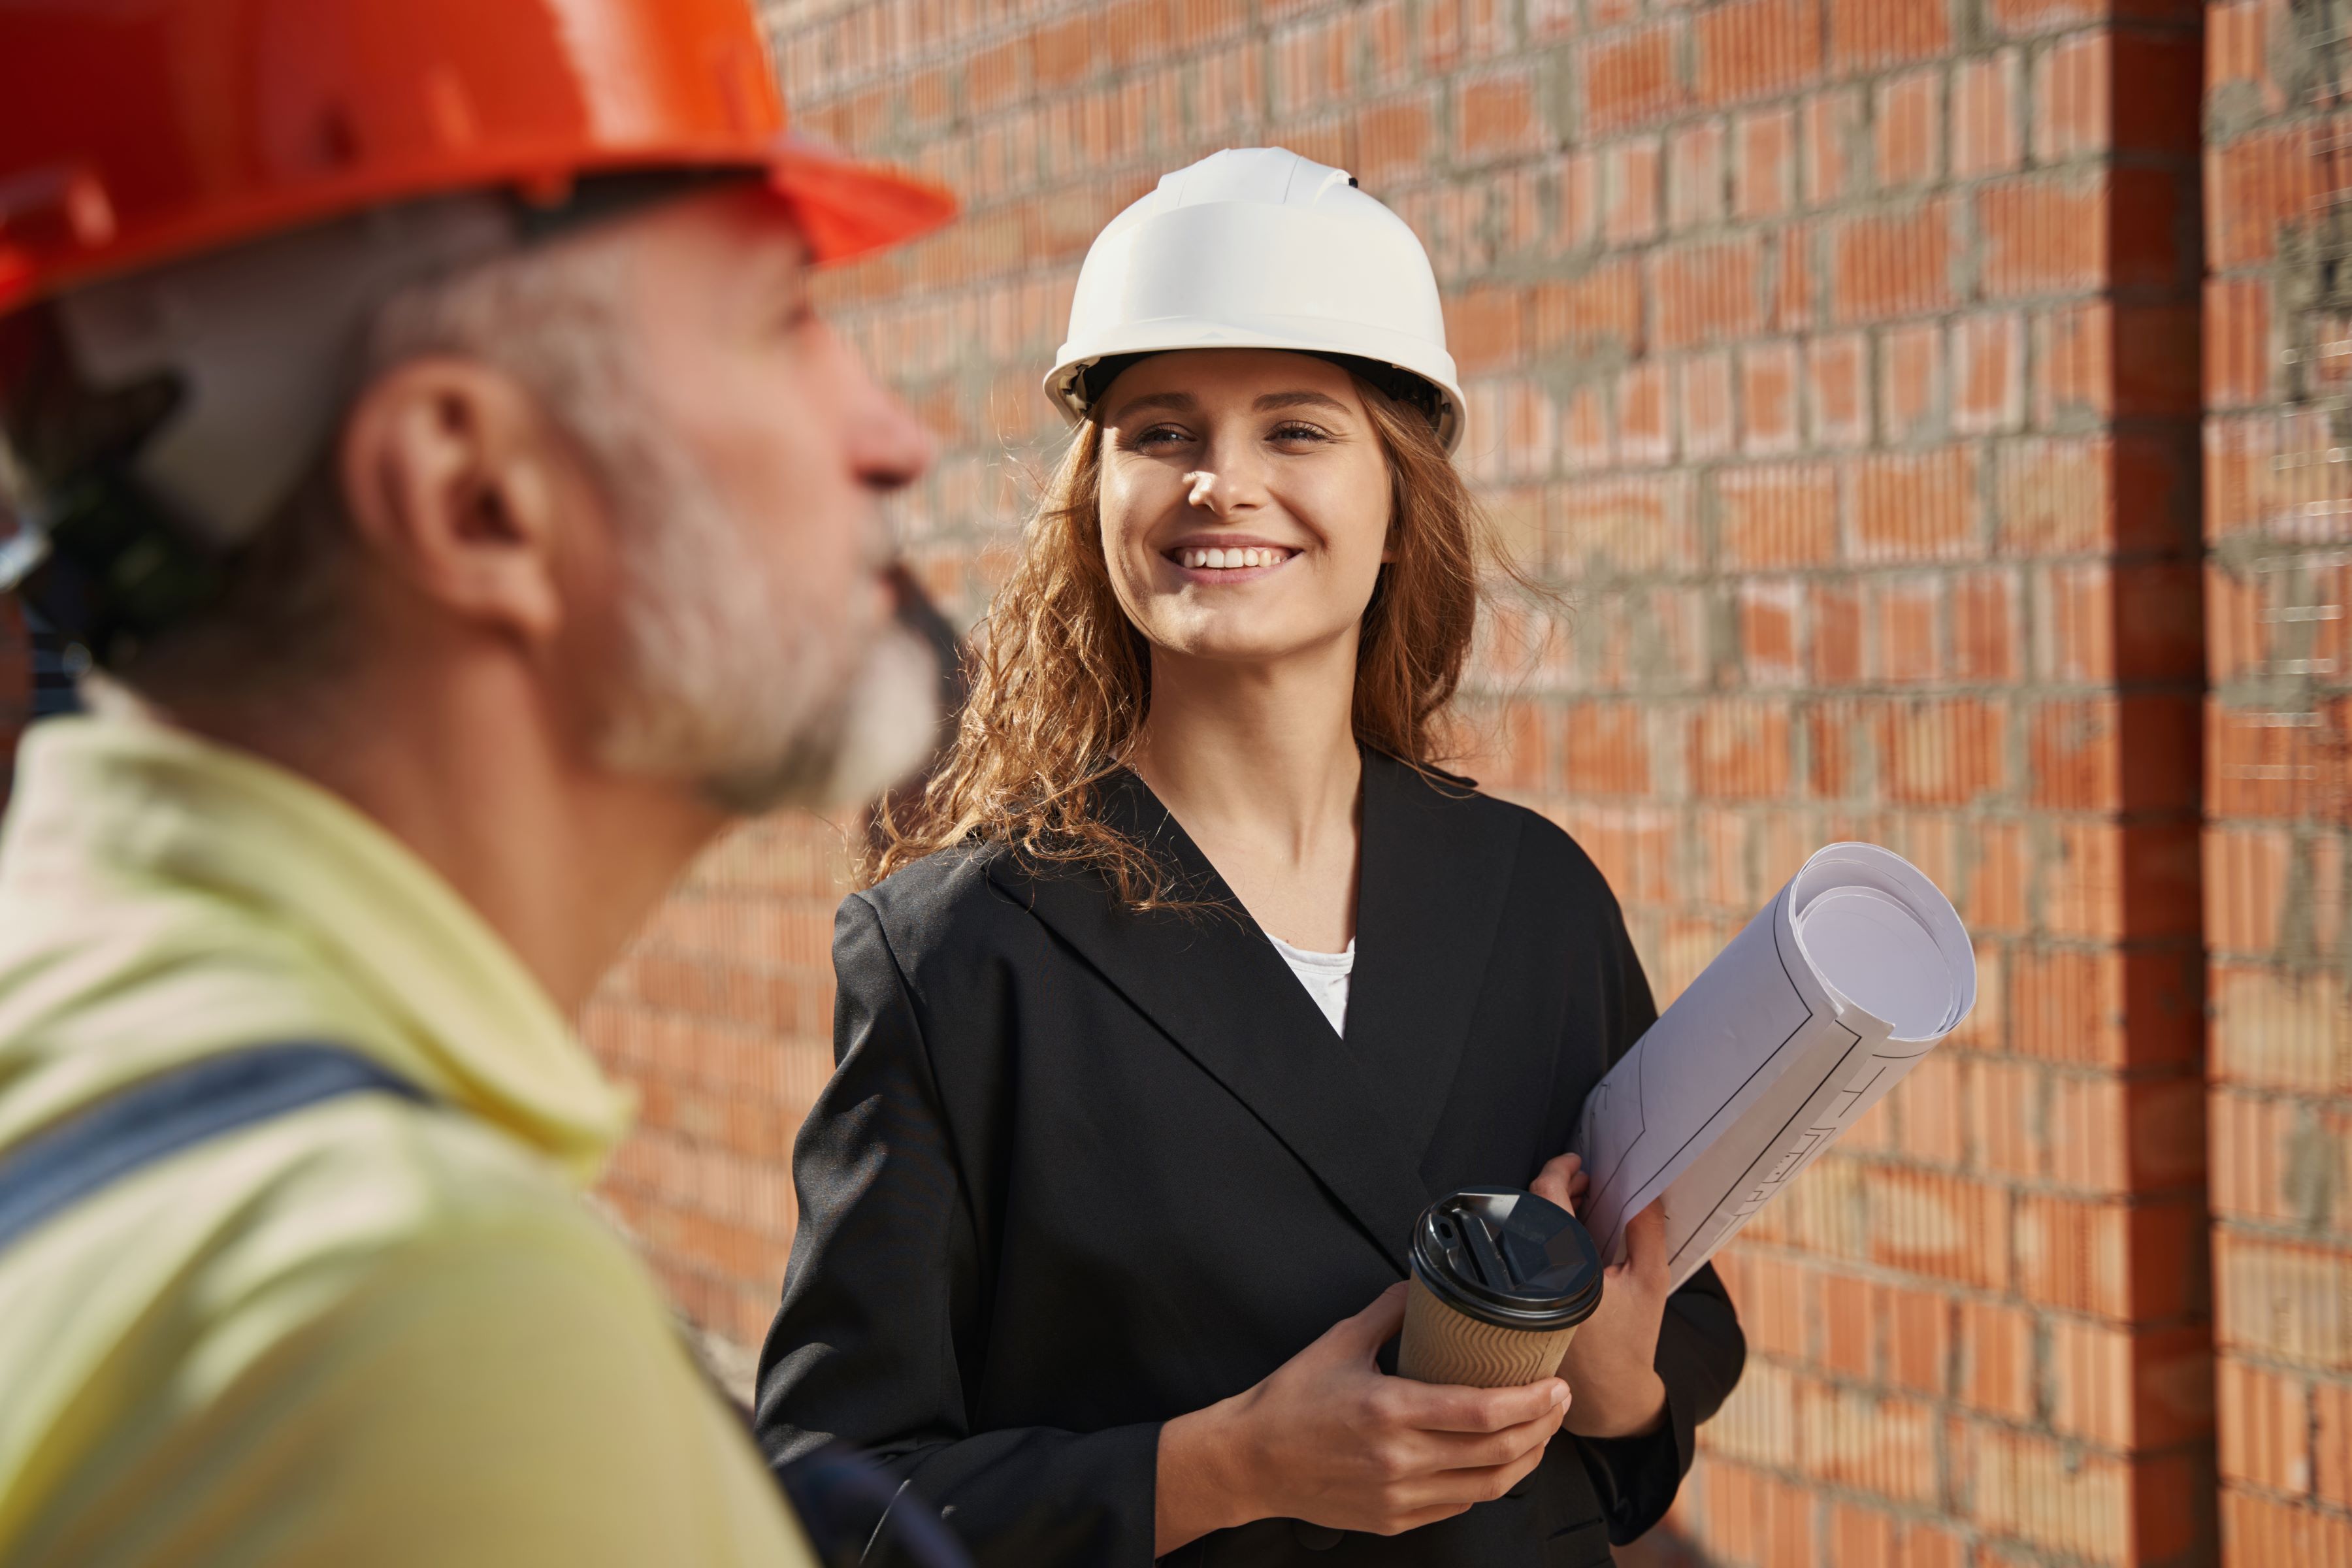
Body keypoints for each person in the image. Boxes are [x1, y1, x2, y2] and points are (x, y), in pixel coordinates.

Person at [0, 2, 962, 1563]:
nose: (890, 434)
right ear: (474, 496)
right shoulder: (410, 1338)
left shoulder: (79, 1036)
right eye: (785, 317)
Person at [755, 148, 1746, 1566]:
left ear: (1398, 496)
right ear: (1096, 496)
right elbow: (826, 1494)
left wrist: (1620, 1380)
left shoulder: (1535, 898)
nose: (1222, 483)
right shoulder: (958, 952)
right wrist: (1220, 1470)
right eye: (1163, 432)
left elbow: (1676, 1351)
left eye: (1296, 430)